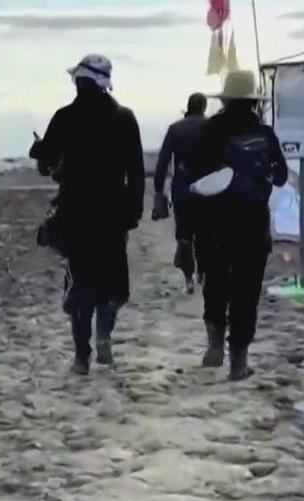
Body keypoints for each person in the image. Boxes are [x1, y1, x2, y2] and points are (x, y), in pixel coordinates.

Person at [30, 54, 145, 375]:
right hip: (113, 214)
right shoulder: (125, 117)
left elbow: (47, 161)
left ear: (81, 81)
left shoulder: (64, 117)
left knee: (81, 282)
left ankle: (82, 356)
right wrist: (133, 212)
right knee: (114, 285)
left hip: (75, 213)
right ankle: (105, 335)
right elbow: (136, 172)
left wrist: (39, 150)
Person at [190, 70, 287, 381]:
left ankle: (215, 346)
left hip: (216, 223)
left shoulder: (212, 130)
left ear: (227, 99)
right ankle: (239, 362)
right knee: (246, 293)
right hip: (253, 224)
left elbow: (198, 176)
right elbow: (282, 176)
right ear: (253, 101)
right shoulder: (266, 134)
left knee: (216, 283)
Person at [152, 93, 208, 294]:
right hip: (208, 189)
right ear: (204, 107)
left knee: (184, 236)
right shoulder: (212, 127)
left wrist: (159, 189)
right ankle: (203, 272)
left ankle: (189, 280)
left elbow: (163, 162)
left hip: (182, 189)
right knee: (204, 233)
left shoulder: (176, 129)